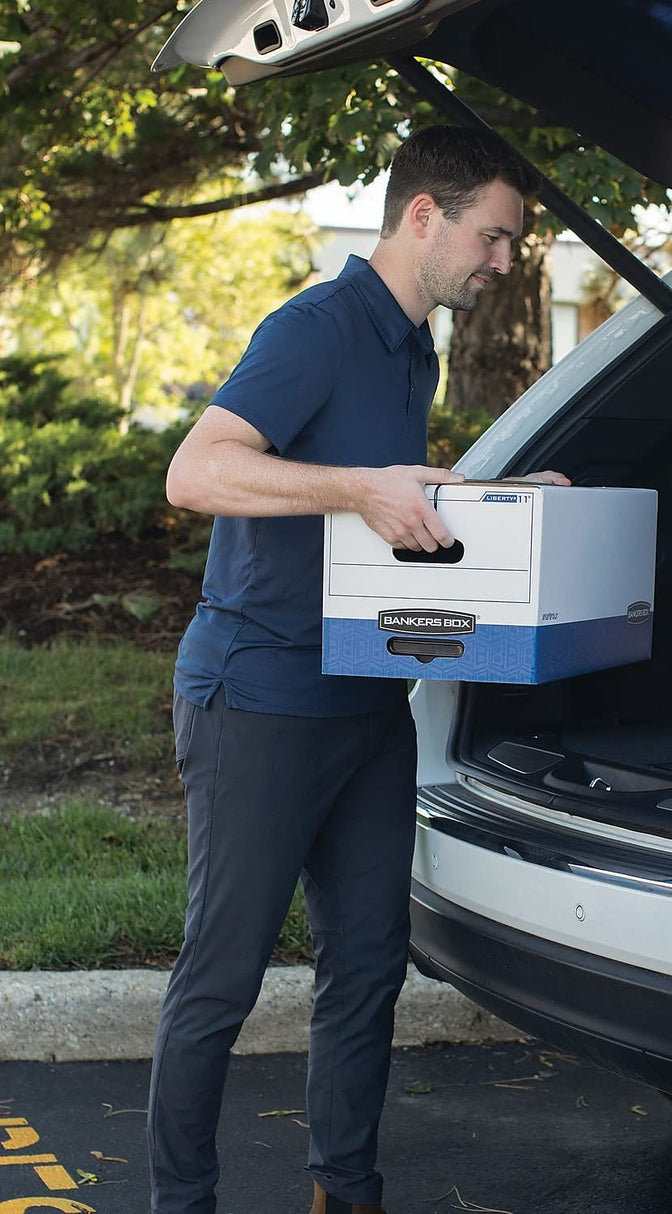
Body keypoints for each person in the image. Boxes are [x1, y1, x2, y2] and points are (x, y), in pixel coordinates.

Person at [148, 124, 570, 1214]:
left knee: (371, 962)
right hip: (260, 695)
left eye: (512, 243)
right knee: (221, 977)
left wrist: (501, 501)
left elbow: (382, 489)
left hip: (365, 691)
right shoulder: (318, 325)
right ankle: (180, 1199)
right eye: (494, 235)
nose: (505, 259)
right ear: (422, 217)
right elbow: (196, 472)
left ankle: (347, 1187)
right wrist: (354, 489)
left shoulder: (410, 340)